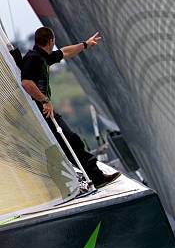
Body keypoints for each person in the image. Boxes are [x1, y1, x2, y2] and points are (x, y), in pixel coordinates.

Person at [20, 27, 120, 188]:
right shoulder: (34, 59)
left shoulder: (41, 56)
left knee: (68, 142)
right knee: (71, 141)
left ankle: (90, 177)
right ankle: (96, 178)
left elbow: (64, 52)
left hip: (42, 111)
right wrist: (45, 100)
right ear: (51, 41)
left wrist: (85, 44)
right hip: (41, 111)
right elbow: (26, 82)